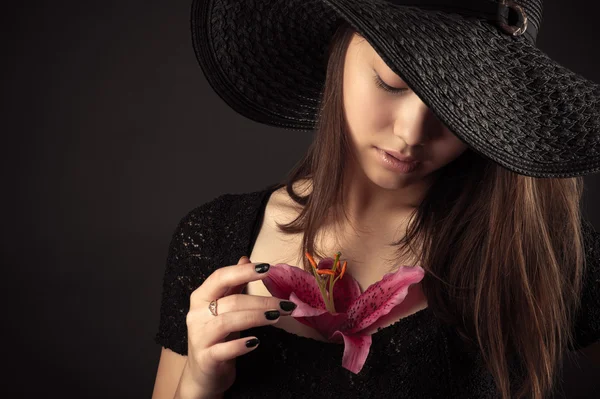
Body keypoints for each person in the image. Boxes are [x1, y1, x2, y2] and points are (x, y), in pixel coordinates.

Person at [152, 0, 600, 398]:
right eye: (391, 82)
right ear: (338, 50)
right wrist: (197, 384)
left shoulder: (546, 253)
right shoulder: (211, 237)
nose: (411, 134)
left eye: (460, 106)